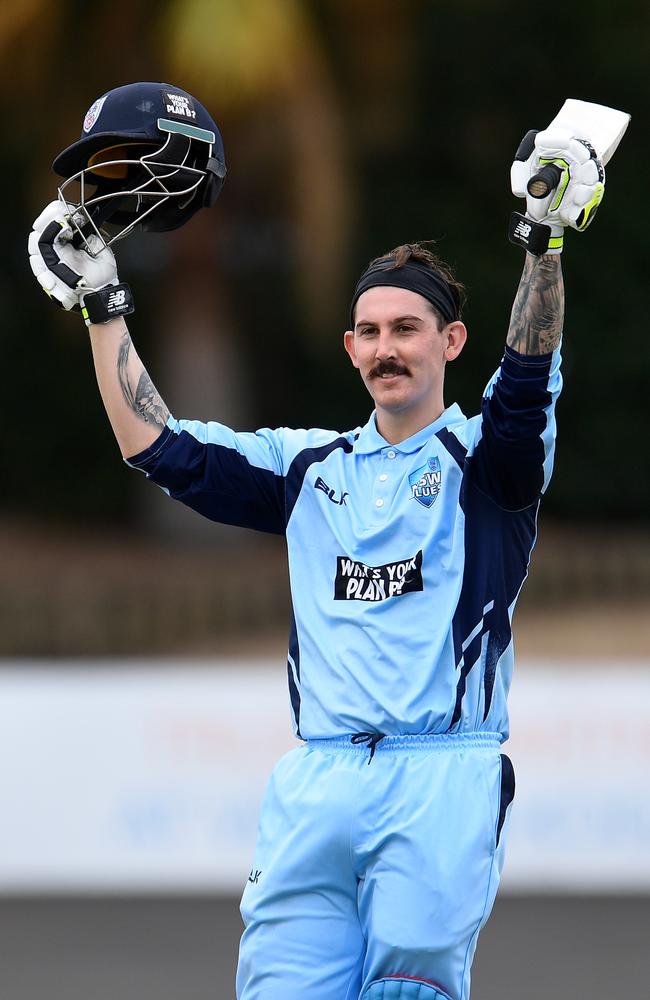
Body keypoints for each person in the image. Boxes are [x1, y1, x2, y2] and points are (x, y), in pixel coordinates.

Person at [28, 93, 606, 999]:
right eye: (371, 332)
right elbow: (159, 448)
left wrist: (545, 241)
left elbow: (527, 380)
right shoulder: (305, 469)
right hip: (317, 778)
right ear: (348, 348)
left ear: (451, 341)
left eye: (407, 329)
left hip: (441, 773)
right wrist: (104, 302)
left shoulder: (488, 465)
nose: (387, 348)